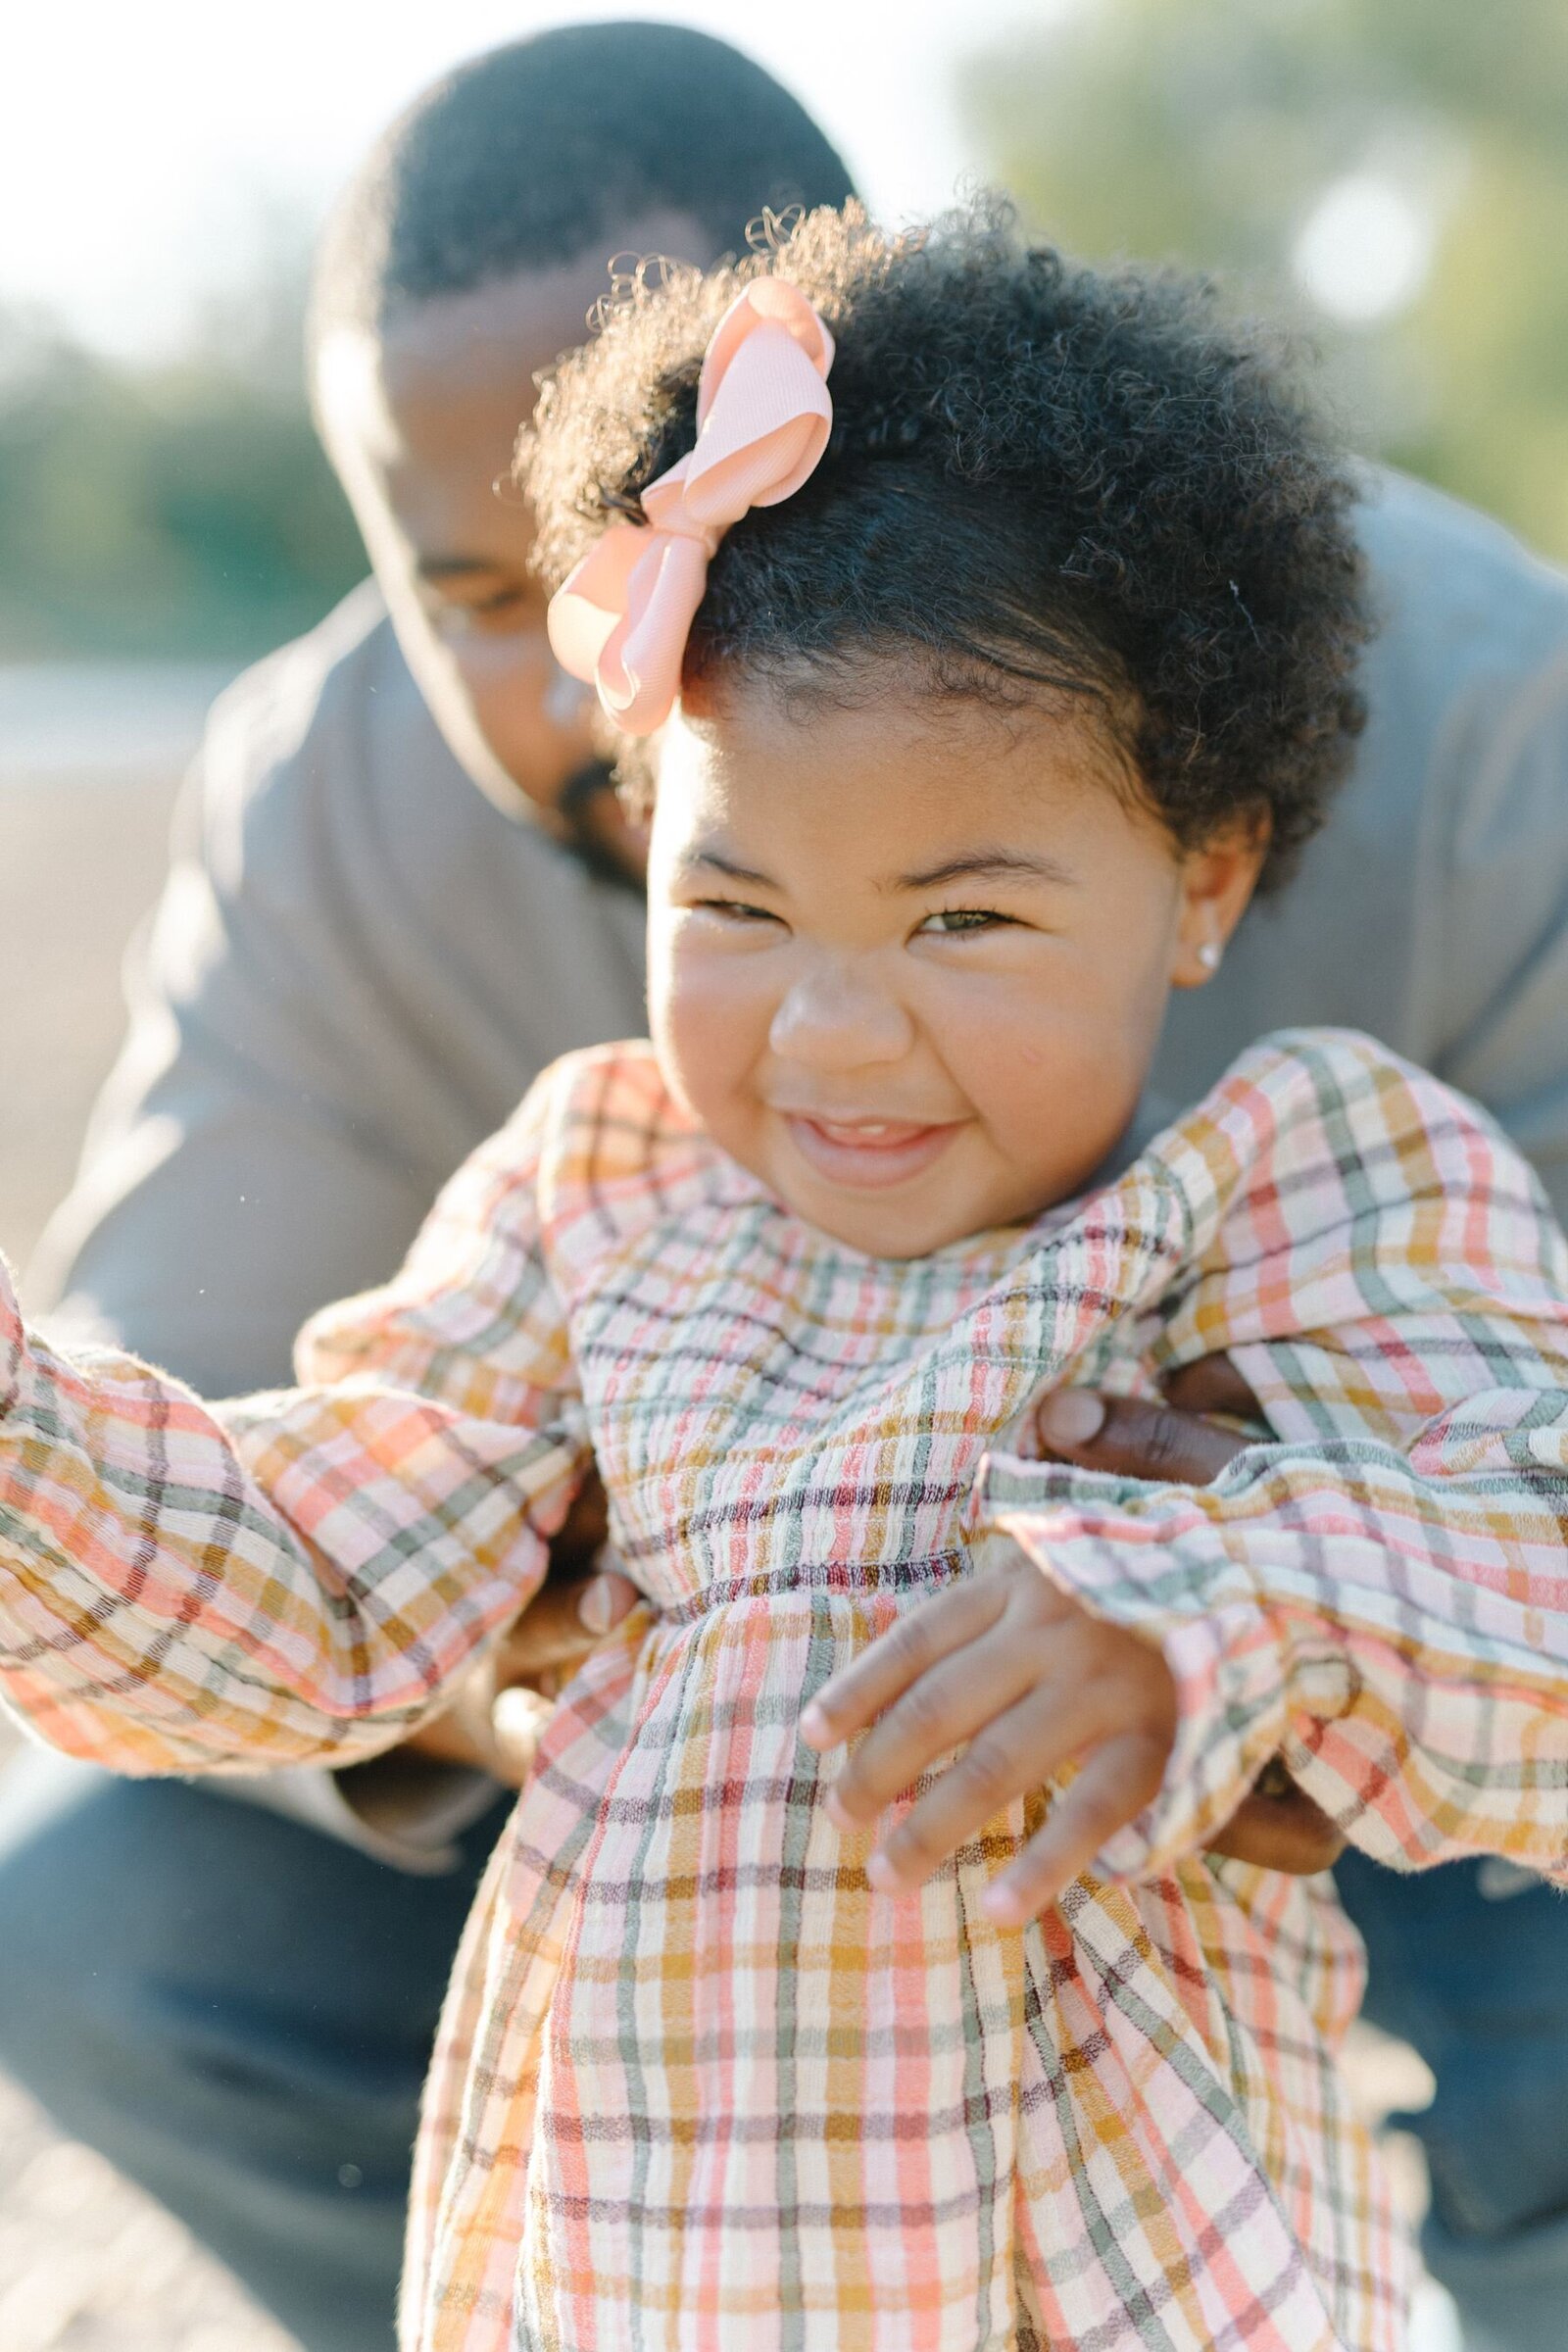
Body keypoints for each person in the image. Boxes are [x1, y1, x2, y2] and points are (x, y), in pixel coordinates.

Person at [3, 26, 1567, 2352]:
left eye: (960, 918)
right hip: (661, 2255)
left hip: (1144, 2251)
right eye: (731, 906)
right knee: (94, 1899)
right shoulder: (588, 1192)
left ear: (1206, 875)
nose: (830, 1036)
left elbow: (1520, 1554)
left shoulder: (1303, 1161)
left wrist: (1222, 1612)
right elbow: (311, 1559)